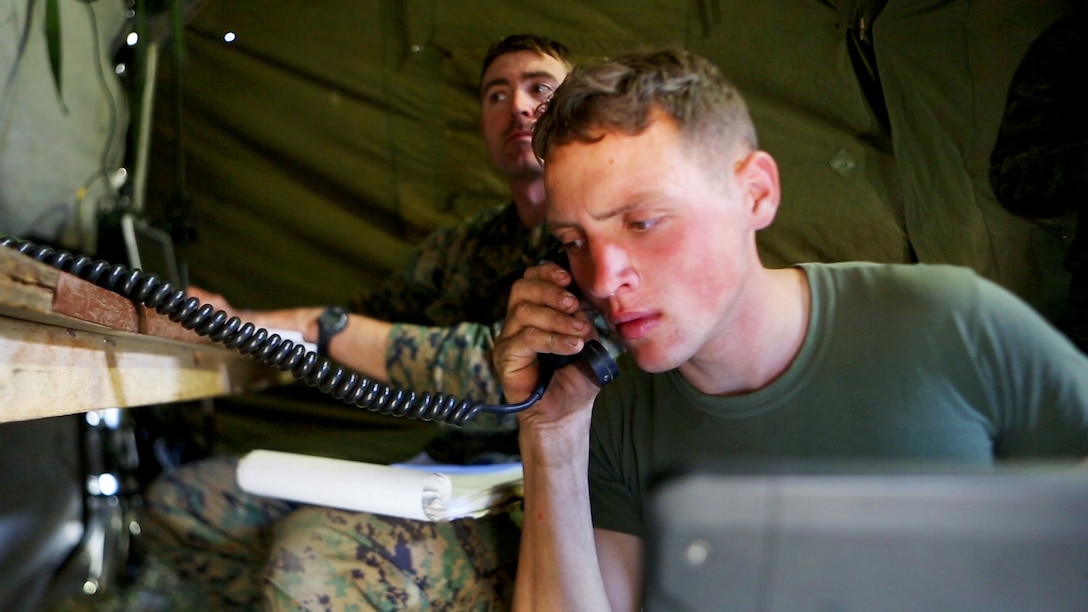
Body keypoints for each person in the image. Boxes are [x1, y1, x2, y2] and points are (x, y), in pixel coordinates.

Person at [491, 47, 1088, 610]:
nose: (604, 276)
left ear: (756, 193)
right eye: (574, 243)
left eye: (643, 222)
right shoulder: (610, 417)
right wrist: (553, 436)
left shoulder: (952, 326)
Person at [140, 34, 587, 610]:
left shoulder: (588, 234)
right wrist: (234, 321)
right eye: (496, 94)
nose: (519, 107)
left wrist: (319, 324)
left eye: (538, 88)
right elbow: (370, 315)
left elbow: (496, 370)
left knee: (309, 560)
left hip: (535, 499)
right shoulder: (466, 245)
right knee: (184, 501)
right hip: (442, 475)